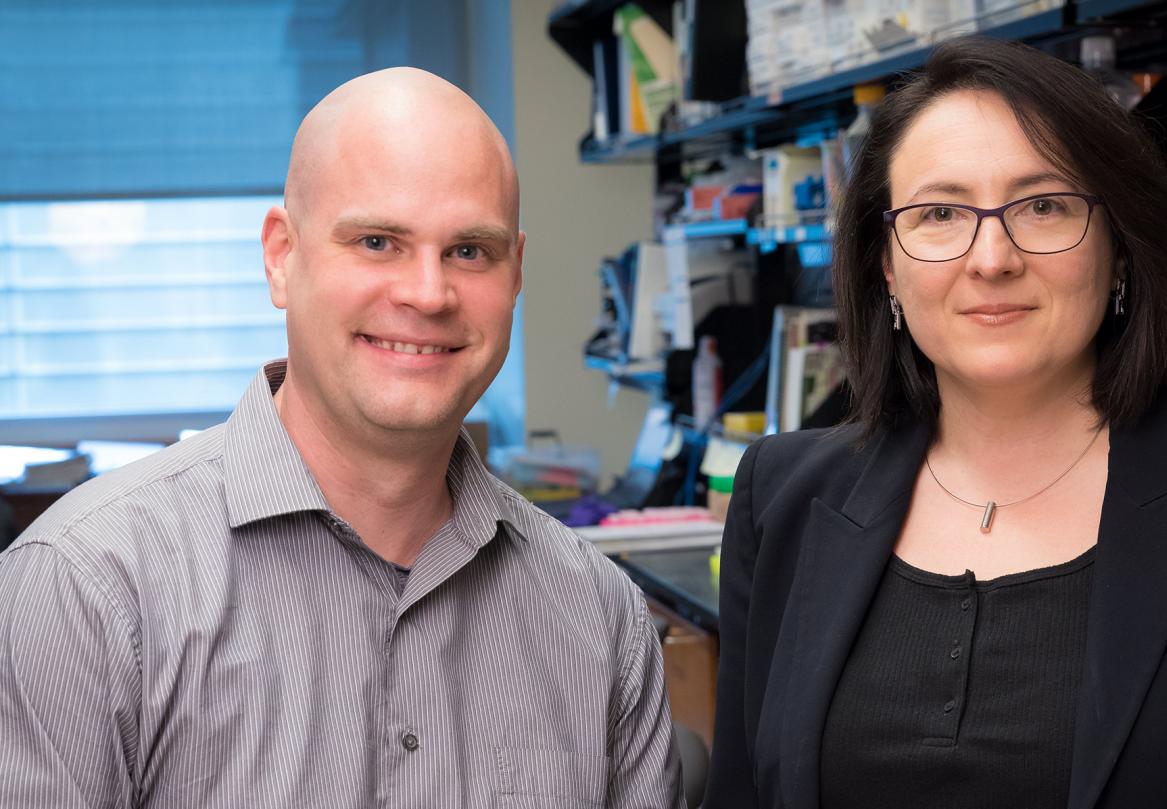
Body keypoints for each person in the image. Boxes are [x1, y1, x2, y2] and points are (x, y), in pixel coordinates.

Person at [705, 37, 1167, 809]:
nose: (992, 256)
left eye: (1044, 205)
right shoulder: (784, 498)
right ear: (886, 263)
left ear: (1122, 248)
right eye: (940, 213)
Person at [0, 68, 683, 808]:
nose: (427, 292)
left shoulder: (600, 614)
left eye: (469, 251)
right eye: (379, 240)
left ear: (515, 273)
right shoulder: (84, 590)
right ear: (280, 256)